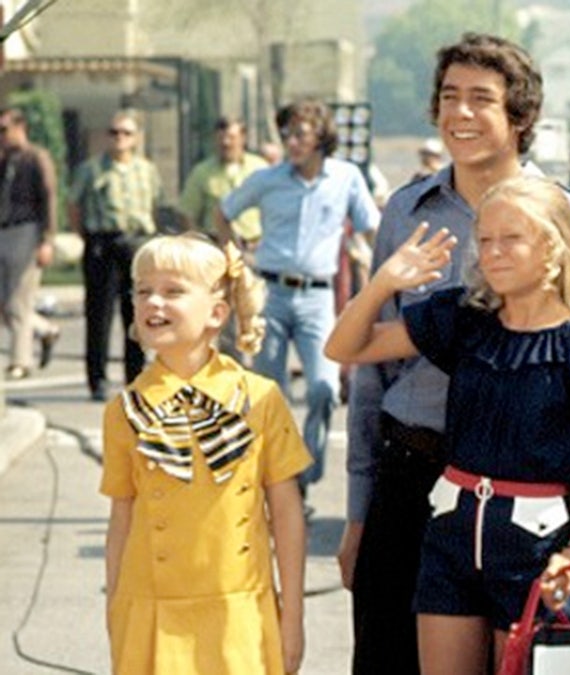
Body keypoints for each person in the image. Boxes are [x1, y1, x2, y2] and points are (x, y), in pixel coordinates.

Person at [342, 32, 570, 674]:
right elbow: (367, 371)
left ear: (520, 118)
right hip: (411, 476)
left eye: (480, 100)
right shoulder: (405, 212)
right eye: (448, 98)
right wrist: (360, 512)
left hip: (527, 501)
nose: (459, 114)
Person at [326, 175, 570, 674]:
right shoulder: (465, 318)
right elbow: (343, 348)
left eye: (511, 238)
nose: (492, 252)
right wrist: (384, 282)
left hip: (537, 549)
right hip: (449, 535)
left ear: (554, 246)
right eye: (485, 239)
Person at [102, 234, 310, 674]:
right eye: (143, 291)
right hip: (150, 612)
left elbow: (287, 512)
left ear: (217, 312)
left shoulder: (258, 398)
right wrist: (116, 608)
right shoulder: (125, 410)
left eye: (173, 290)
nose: (154, 302)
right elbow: (123, 515)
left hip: (239, 613)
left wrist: (292, 615)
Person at [218, 99, 380, 504]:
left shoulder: (346, 178)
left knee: (324, 387)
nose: (292, 141)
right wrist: (232, 255)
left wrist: (390, 272)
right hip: (269, 294)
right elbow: (225, 212)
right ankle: (280, 480)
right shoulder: (267, 179)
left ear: (321, 136)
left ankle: (308, 467)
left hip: (317, 297)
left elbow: (371, 230)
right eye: (287, 133)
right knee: (269, 394)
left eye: (301, 133)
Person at [69, 109, 163, 401]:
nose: (119, 138)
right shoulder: (92, 169)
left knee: (135, 313)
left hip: (135, 242)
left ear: (136, 138)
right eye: (114, 132)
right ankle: (96, 379)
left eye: (126, 133)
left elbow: (155, 205)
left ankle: (135, 378)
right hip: (103, 242)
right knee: (99, 315)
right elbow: (74, 205)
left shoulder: (146, 170)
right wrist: (87, 235)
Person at [0, 106, 58, 380]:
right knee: (4, 302)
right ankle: (44, 329)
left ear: (19, 128)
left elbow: (48, 198)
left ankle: (20, 361)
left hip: (26, 230)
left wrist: (47, 239)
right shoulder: (5, 160)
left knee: (19, 299)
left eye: (4, 130)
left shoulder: (36, 158)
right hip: (3, 229)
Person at [177, 117, 269, 245]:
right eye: (221, 138)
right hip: (217, 247)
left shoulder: (260, 168)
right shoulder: (202, 172)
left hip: (254, 246)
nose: (226, 143)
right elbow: (187, 212)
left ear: (243, 138)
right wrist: (198, 244)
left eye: (231, 137)